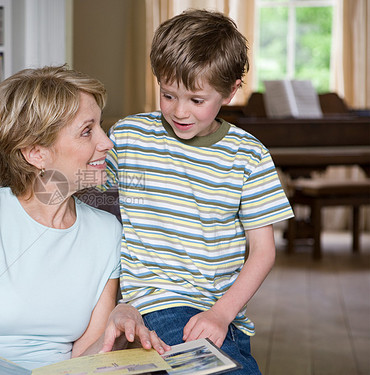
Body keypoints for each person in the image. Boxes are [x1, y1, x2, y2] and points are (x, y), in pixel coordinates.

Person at [0, 66, 168, 370]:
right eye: (87, 131)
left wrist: (116, 331)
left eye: (101, 127)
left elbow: (84, 359)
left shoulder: (107, 231)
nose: (107, 143)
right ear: (36, 153)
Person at [103, 9, 294, 374]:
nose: (179, 111)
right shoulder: (130, 136)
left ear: (231, 90)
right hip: (153, 304)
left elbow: (263, 252)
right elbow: (87, 192)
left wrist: (222, 313)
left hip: (220, 313)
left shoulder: (248, 155)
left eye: (196, 99)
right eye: (168, 95)